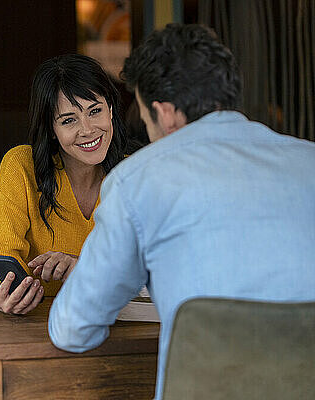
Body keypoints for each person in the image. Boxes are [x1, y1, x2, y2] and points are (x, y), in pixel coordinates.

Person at [48, 24, 315, 400]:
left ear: (165, 113)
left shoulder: (137, 181)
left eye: (143, 115)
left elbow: (73, 327)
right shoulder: (309, 161)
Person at [0, 54, 128, 314]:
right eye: (68, 120)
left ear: (110, 109)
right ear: (50, 128)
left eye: (95, 111)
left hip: (118, 328)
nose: (87, 129)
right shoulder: (22, 167)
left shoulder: (136, 175)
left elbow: (155, 275)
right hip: (33, 327)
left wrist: (86, 269)